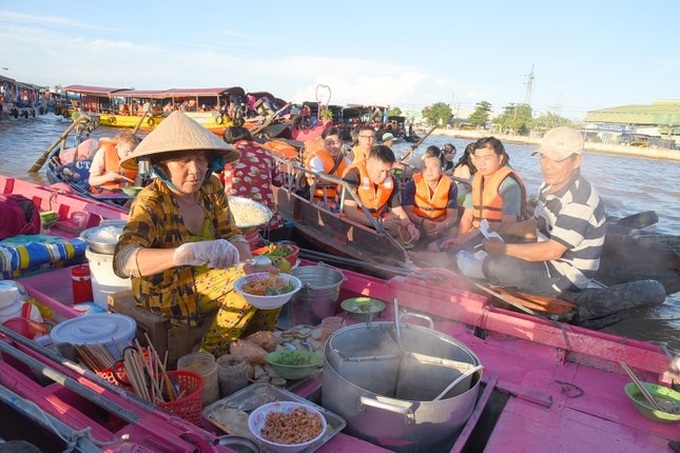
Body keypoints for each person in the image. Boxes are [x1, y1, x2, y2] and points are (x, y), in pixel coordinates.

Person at [113, 111, 279, 357]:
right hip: (165, 291)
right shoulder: (150, 202)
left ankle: (256, 342)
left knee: (276, 272)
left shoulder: (210, 188)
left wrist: (248, 263)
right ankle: (209, 355)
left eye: (201, 159)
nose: (196, 170)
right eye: (183, 161)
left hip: (207, 278)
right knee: (240, 285)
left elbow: (231, 234)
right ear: (161, 166)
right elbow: (122, 261)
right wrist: (182, 255)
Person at [481, 127, 608, 297]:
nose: (547, 166)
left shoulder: (580, 201)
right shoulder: (547, 186)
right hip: (549, 260)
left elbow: (552, 251)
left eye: (557, 160)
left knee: (492, 266)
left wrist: (504, 249)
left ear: (577, 161)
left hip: (565, 275)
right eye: (543, 157)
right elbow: (535, 224)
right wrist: (501, 228)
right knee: (496, 254)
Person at [454, 137, 526, 245]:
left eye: (487, 158)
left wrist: (468, 238)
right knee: (436, 247)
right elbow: (468, 216)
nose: (481, 163)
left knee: (436, 256)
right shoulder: (477, 179)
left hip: (496, 241)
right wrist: (459, 239)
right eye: (478, 158)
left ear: (500, 158)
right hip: (475, 234)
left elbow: (507, 227)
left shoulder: (509, 186)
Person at [342, 145, 420, 244]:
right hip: (356, 222)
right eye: (381, 171)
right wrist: (380, 223)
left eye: (388, 171)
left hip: (378, 221)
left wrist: (409, 225)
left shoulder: (391, 181)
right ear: (369, 163)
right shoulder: (353, 176)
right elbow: (350, 212)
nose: (384, 176)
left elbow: (397, 209)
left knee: (405, 233)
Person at [222, 118, 286, 240]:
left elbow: (219, 182)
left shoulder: (228, 154)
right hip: (266, 216)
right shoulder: (267, 153)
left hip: (236, 217)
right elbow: (279, 182)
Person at [401, 151, 458, 244]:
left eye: (434, 167)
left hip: (440, 224)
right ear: (421, 170)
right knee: (402, 229)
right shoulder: (413, 184)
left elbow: (453, 216)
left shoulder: (451, 185)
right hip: (417, 223)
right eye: (425, 167)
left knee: (454, 231)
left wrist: (442, 225)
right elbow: (407, 211)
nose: (429, 170)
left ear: (441, 170)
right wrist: (422, 222)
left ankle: (434, 250)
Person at [306, 126, 351, 208]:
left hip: (341, 202)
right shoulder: (316, 160)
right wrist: (344, 181)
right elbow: (322, 177)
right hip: (320, 201)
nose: (332, 146)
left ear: (342, 143)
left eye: (336, 143)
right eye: (329, 143)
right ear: (323, 143)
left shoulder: (347, 162)